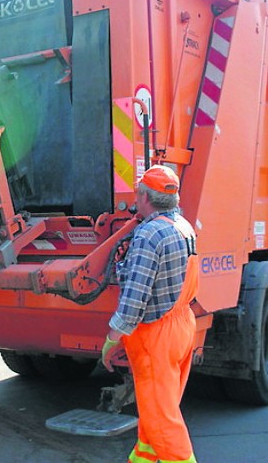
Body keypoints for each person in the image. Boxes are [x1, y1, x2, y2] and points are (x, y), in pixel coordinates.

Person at [102, 164, 199, 463]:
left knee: (163, 422)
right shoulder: (184, 227)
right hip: (182, 326)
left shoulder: (148, 235)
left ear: (144, 197)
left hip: (155, 337)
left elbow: (134, 301)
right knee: (155, 414)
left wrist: (112, 338)